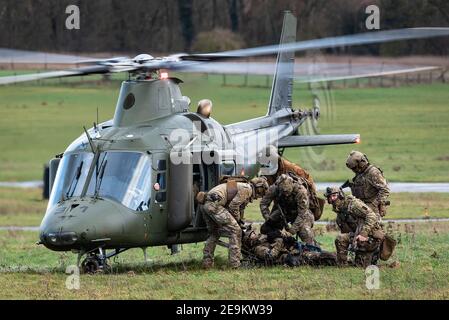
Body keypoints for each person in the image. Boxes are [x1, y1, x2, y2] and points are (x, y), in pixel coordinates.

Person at [200, 177, 269, 269]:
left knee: (214, 233)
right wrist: (237, 221)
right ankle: (235, 264)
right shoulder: (247, 189)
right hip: (215, 205)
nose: (259, 197)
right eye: (261, 194)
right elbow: (233, 206)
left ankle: (207, 263)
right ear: (259, 188)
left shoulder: (242, 186)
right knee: (236, 231)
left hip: (207, 205)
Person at [324, 186, 385, 267]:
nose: (332, 199)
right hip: (357, 238)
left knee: (361, 266)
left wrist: (363, 234)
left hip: (370, 238)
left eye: (334, 195)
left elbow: (372, 216)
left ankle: (374, 255)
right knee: (341, 239)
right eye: (330, 197)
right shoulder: (340, 209)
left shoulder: (353, 204)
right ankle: (342, 266)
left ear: (340, 195)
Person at [259, 145, 324, 220]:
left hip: (298, 203)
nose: (267, 164)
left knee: (303, 227)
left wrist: (309, 202)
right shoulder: (265, 172)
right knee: (269, 227)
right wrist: (268, 219)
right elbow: (265, 198)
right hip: (281, 204)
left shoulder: (292, 169)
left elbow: (310, 183)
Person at [260, 174, 316, 245]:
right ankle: (277, 248)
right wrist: (268, 218)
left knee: (305, 232)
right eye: (283, 192)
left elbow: (302, 214)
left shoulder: (301, 192)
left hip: (301, 215)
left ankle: (312, 250)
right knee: (266, 229)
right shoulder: (274, 188)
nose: (286, 195)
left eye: (287, 192)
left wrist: (291, 231)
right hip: (282, 213)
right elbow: (263, 204)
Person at [241, 227, 337, 267]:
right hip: (289, 258)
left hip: (294, 251)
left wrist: (285, 236)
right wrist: (279, 241)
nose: (255, 234)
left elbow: (281, 239)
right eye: (252, 234)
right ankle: (342, 260)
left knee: (319, 254)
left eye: (253, 232)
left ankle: (340, 259)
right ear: (250, 241)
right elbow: (271, 256)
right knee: (318, 256)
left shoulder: (265, 239)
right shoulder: (258, 249)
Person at [345, 151, 390, 217]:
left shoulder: (373, 173)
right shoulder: (360, 173)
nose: (353, 170)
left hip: (372, 210)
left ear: (361, 164)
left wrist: (376, 204)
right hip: (362, 207)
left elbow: (384, 190)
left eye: (354, 168)